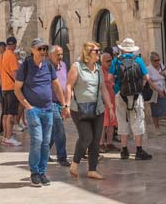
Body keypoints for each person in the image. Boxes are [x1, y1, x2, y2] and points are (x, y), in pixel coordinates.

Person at [14, 38, 69, 186]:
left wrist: (64, 105)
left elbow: (56, 86)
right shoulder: (25, 66)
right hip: (34, 110)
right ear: (32, 50)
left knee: (45, 143)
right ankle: (34, 172)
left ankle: (42, 172)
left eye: (45, 49)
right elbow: (17, 88)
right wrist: (27, 106)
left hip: (48, 109)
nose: (43, 52)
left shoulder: (48, 66)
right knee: (37, 140)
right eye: (40, 49)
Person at [65, 42, 111, 180]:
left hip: (97, 109)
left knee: (96, 140)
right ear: (88, 53)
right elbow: (68, 86)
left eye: (99, 51)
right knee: (86, 137)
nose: (99, 53)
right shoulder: (77, 67)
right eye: (96, 51)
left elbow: (103, 88)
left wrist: (110, 106)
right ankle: (75, 163)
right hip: (80, 109)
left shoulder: (98, 68)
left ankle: (92, 169)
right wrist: (66, 105)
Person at [109, 38, 152, 160]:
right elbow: (147, 77)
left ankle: (124, 150)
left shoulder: (116, 61)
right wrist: (139, 86)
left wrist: (116, 87)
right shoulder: (138, 60)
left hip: (120, 94)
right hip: (136, 95)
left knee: (122, 119)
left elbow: (109, 77)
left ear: (122, 48)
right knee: (137, 119)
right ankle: (138, 150)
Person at [48, 45, 71, 166]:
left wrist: (67, 103)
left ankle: (44, 152)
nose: (60, 57)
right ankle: (62, 157)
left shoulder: (64, 66)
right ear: (50, 55)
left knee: (53, 131)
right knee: (59, 129)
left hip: (61, 103)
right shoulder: (46, 67)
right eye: (58, 54)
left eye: (61, 54)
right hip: (50, 102)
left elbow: (66, 83)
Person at [0, 37, 22, 146]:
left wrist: (3, 84)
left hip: (4, 88)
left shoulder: (1, 56)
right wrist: (19, 86)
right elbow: (14, 73)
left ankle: (5, 137)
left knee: (6, 114)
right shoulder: (11, 55)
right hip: (12, 88)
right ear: (14, 45)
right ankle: (9, 137)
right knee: (11, 114)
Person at [147, 51, 166, 136]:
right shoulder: (148, 69)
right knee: (155, 111)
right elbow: (150, 82)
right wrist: (158, 91)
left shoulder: (161, 66)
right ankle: (156, 128)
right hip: (154, 91)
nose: (158, 62)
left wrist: (164, 74)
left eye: (159, 60)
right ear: (151, 61)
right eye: (155, 60)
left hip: (164, 90)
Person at [99, 50, 118, 152]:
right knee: (103, 123)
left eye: (111, 60)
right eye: (107, 61)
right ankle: (101, 143)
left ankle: (109, 143)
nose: (110, 63)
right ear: (102, 62)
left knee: (112, 122)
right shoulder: (100, 71)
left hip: (112, 99)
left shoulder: (112, 70)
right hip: (104, 101)